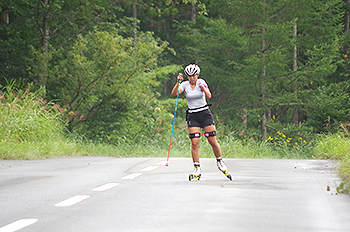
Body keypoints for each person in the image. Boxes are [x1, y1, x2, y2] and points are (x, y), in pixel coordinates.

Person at [171, 64, 232, 180]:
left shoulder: (201, 82)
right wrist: (178, 82)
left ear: (197, 75)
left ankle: (220, 161)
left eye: (193, 76)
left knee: (212, 140)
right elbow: (175, 94)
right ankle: (197, 168)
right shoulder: (184, 85)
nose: (191, 78)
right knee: (194, 142)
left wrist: (203, 88)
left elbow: (209, 95)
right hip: (193, 115)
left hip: (204, 114)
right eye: (189, 76)